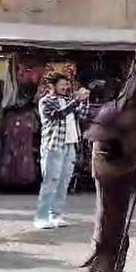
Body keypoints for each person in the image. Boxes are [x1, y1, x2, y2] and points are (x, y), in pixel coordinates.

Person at [34, 73, 89, 230]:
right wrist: (75, 101)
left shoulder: (68, 101)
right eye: (62, 84)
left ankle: (56, 215)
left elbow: (83, 116)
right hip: (53, 146)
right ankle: (42, 217)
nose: (66, 87)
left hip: (70, 145)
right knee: (50, 182)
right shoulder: (45, 102)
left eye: (66, 84)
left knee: (63, 183)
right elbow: (58, 115)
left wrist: (83, 100)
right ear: (52, 86)